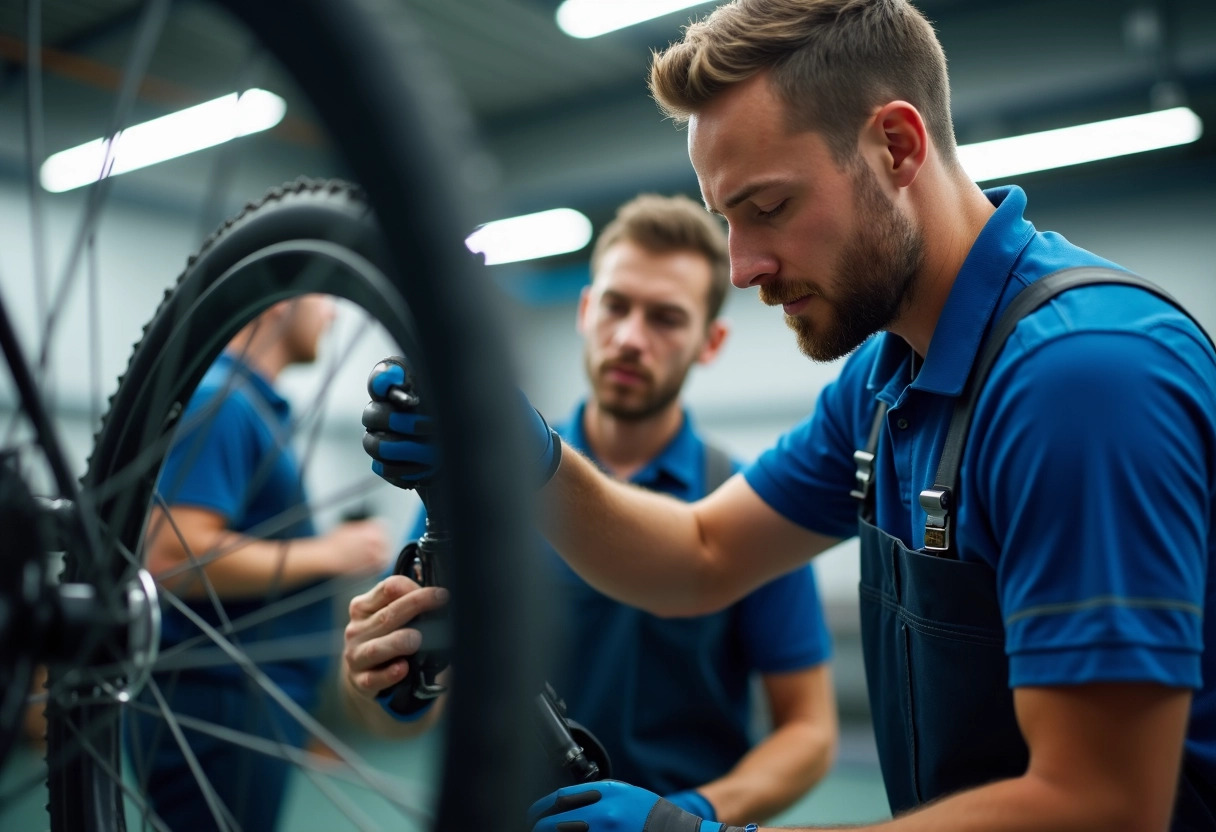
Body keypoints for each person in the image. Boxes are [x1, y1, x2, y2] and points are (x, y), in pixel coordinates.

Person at [363, 1, 1216, 830]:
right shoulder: (886, 383)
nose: (742, 267)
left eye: (767, 208)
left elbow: (1101, 804)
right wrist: (529, 454)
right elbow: (700, 555)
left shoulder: (1081, 377)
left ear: (896, 146)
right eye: (726, 219)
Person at [344, 193, 839, 825]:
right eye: (616, 306)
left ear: (710, 342)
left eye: (665, 318)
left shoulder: (746, 505)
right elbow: (397, 709)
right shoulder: (489, 484)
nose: (631, 338)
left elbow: (809, 731)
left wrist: (681, 818)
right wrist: (380, 679)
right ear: (585, 310)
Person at [127, 295, 391, 832]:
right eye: (322, 298)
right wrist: (330, 552)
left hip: (243, 700)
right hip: (215, 703)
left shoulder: (246, 404)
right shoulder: (221, 402)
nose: (334, 314)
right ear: (277, 300)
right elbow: (175, 556)